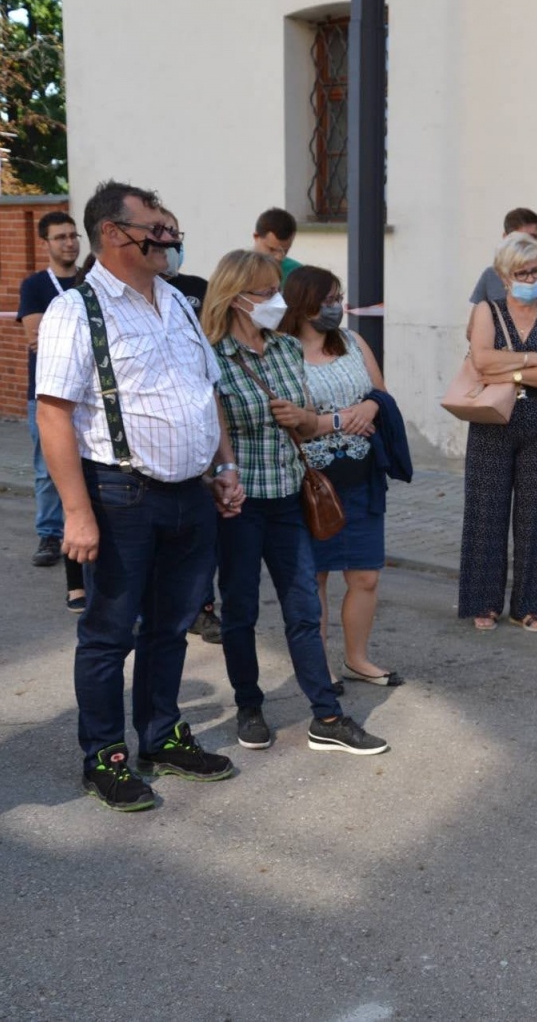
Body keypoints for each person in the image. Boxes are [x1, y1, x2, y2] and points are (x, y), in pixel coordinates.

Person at [37, 180, 240, 813]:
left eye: (169, 229)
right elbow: (52, 414)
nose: (169, 238)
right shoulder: (77, 310)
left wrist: (224, 466)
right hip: (120, 494)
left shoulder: (177, 301)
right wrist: (76, 514)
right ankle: (105, 755)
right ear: (113, 234)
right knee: (108, 633)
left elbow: (207, 391)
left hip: (190, 494)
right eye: (156, 229)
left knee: (172, 627)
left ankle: (160, 736)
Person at [203, 250, 389, 756]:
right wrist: (222, 472)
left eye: (276, 292)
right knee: (240, 609)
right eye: (267, 292)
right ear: (237, 297)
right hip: (240, 503)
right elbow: (210, 426)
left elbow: (307, 419)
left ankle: (326, 716)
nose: (276, 301)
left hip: (289, 496)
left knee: (304, 608)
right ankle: (249, 705)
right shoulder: (212, 355)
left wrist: (303, 418)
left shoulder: (286, 348)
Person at [279, 266, 402, 684]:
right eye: (327, 300)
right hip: (311, 482)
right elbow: (290, 420)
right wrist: (338, 420)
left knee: (365, 575)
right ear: (302, 304)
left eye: (338, 298)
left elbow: (381, 394)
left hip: (362, 476)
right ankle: (321, 669)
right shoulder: (282, 352)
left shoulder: (352, 342)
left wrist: (370, 407)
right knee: (314, 577)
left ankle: (357, 659)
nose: (336, 307)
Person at [457, 233, 537, 631]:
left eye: (535, 271)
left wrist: (515, 373)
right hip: (493, 418)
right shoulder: (487, 311)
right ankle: (483, 602)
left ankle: (529, 605)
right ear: (504, 275)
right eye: (522, 272)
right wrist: (531, 358)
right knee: (486, 510)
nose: (530, 279)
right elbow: (481, 362)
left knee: (536, 514)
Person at [16, 212, 89, 611]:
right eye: (60, 237)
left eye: (73, 235)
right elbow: (35, 337)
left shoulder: (89, 280)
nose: (69, 243)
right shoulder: (36, 286)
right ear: (45, 243)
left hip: (87, 394)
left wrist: (57, 334)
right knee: (48, 467)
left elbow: (50, 337)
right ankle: (49, 533)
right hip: (45, 393)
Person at [155, 207, 219, 643]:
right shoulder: (137, 295)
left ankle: (203, 607)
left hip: (199, 429)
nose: (174, 245)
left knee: (199, 537)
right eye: (166, 235)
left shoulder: (195, 289)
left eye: (178, 236)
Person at [467, 208, 537, 342]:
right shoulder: (490, 275)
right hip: (500, 353)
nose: (528, 243)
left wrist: (535, 337)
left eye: (533, 237)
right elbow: (472, 331)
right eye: (520, 239)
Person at [251, 207, 302, 281]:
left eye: (285, 251)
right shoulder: (236, 271)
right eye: (272, 249)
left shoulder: (298, 274)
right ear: (256, 237)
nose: (279, 257)